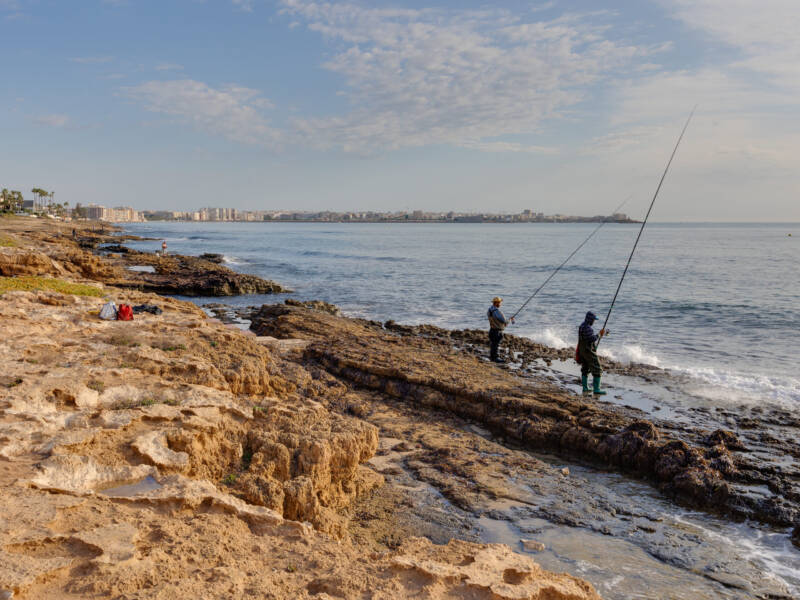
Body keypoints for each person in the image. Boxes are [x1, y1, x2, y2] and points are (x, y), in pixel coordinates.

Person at [577, 311, 607, 396]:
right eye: (593, 320)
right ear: (590, 319)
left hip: (582, 351)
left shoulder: (582, 325)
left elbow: (586, 339)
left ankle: (585, 388)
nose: (594, 321)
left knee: (585, 368)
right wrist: (599, 334)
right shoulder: (588, 328)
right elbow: (591, 339)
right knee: (597, 369)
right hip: (588, 352)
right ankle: (596, 389)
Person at [487, 297, 514, 363]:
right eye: (499, 303)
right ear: (496, 303)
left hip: (492, 330)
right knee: (496, 345)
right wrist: (510, 320)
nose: (500, 304)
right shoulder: (497, 311)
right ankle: (495, 358)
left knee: (493, 344)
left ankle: (492, 357)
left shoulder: (489, 310)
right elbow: (504, 321)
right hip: (497, 331)